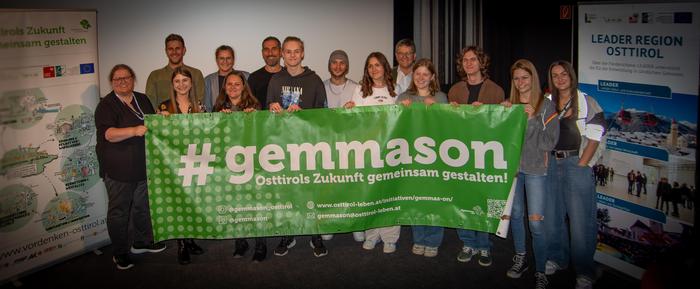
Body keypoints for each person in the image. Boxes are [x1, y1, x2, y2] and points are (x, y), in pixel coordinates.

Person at [94, 64, 166, 270]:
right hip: (118, 169)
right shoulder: (106, 105)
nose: (122, 81)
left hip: (143, 166)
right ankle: (120, 253)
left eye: (126, 78)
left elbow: (151, 124)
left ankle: (141, 242)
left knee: (143, 207)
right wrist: (133, 130)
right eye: (117, 79)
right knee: (119, 212)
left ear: (133, 79)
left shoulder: (142, 99)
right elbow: (108, 134)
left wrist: (161, 120)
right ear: (112, 82)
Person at [544, 60, 606, 289]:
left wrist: (582, 164)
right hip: (550, 164)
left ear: (571, 76)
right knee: (552, 216)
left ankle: (585, 272)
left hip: (575, 164)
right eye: (555, 75)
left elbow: (595, 136)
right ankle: (556, 257)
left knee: (581, 223)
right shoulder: (547, 102)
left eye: (563, 74)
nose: (560, 79)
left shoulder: (587, 102)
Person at [267, 36, 328, 257]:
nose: (292, 55)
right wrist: (272, 108)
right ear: (282, 54)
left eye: (296, 51)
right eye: (288, 51)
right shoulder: (275, 80)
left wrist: (305, 117)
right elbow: (268, 117)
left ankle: (315, 234)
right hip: (283, 147)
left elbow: (323, 116)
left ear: (302, 53)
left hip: (309, 146)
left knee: (311, 191)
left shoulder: (315, 80)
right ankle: (288, 233)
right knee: (288, 191)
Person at [501, 59, 559, 288]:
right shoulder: (510, 104)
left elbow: (549, 143)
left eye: (525, 77)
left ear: (533, 78)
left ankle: (541, 269)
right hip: (514, 169)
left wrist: (534, 119)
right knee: (515, 215)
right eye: (516, 78)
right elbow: (499, 137)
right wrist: (500, 115)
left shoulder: (545, 106)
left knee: (535, 223)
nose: (520, 82)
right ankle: (520, 257)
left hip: (536, 170)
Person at [448, 46, 504, 267]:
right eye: (465, 60)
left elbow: (501, 126)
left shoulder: (496, 91)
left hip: (486, 156)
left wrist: (489, 112)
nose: (469, 63)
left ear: (482, 62)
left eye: (473, 59)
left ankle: (484, 245)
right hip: (461, 155)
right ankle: (467, 242)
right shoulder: (454, 91)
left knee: (485, 201)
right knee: (463, 201)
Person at [343, 52, 399, 254]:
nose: (373, 69)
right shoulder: (360, 90)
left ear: (385, 67)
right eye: (369, 66)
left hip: (390, 151)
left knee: (389, 194)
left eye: (377, 65)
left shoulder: (396, 91)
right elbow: (354, 121)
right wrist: (349, 108)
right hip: (367, 151)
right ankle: (372, 235)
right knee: (370, 193)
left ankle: (390, 237)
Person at [211, 70, 266, 262]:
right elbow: (213, 137)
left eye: (237, 84)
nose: (233, 87)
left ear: (244, 87)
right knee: (235, 204)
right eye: (229, 84)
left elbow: (264, 134)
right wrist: (219, 119)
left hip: (252, 163)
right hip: (229, 165)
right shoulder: (218, 106)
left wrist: (254, 117)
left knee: (255, 204)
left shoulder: (254, 106)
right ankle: (240, 243)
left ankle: (260, 244)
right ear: (224, 88)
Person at [397, 58, 448, 257]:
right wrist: (401, 111)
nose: (421, 78)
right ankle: (419, 238)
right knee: (416, 199)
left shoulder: (441, 97)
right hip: (410, 158)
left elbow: (449, 127)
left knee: (434, 199)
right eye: (417, 74)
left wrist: (437, 109)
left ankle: (434, 239)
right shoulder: (403, 97)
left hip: (436, 158)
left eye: (425, 74)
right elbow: (394, 127)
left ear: (432, 77)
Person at [157, 67, 206, 265]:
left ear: (191, 84)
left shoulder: (199, 106)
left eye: (185, 81)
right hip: (174, 163)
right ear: (172, 84)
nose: (181, 85)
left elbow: (206, 132)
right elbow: (159, 135)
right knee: (179, 202)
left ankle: (191, 239)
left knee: (193, 201)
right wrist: (160, 121)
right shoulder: (165, 107)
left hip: (195, 160)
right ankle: (182, 245)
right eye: (177, 81)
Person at [321, 49, 362, 242]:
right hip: (327, 145)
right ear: (329, 65)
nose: (338, 66)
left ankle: (356, 223)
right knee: (329, 186)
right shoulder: (320, 86)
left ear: (347, 66)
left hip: (351, 145)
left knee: (352, 185)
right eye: (334, 62)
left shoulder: (357, 88)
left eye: (342, 63)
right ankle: (330, 222)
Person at [146, 33, 205, 110]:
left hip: (192, 119)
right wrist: (159, 117)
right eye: (170, 49)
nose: (174, 52)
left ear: (184, 50)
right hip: (163, 120)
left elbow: (200, 101)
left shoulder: (196, 74)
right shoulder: (155, 76)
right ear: (166, 51)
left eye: (177, 48)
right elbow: (150, 104)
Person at [204, 45, 250, 112]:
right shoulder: (208, 80)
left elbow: (251, 100)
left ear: (233, 60)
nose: (225, 61)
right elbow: (207, 108)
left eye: (228, 58)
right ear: (217, 60)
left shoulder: (246, 76)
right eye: (221, 58)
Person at [248, 36, 282, 108]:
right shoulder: (253, 78)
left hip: (286, 119)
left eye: (274, 49)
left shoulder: (289, 76)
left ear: (281, 51)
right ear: (262, 53)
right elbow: (249, 106)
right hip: (261, 119)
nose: (270, 53)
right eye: (266, 49)